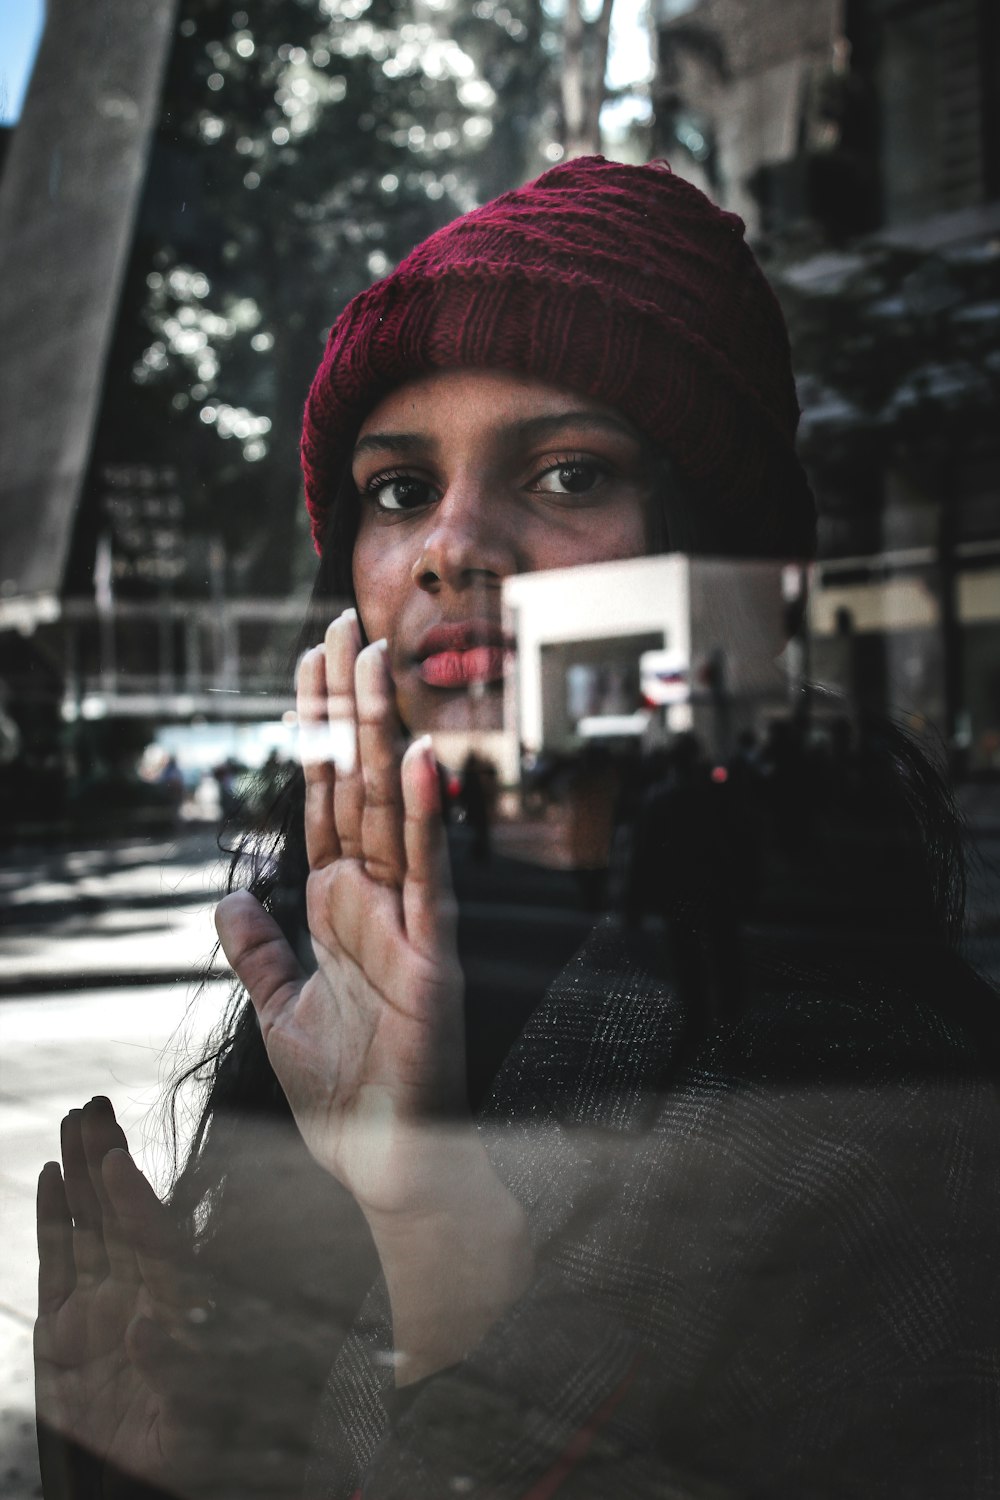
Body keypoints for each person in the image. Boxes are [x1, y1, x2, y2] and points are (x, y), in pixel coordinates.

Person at [34, 157, 999, 1500]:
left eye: (565, 473)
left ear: (714, 568)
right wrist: (169, 1458)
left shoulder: (874, 1114)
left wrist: (436, 1242)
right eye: (396, 490)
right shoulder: (322, 974)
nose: (452, 548)